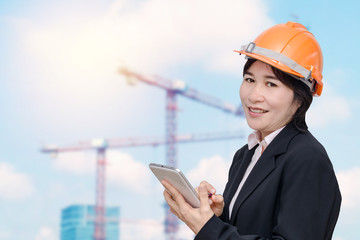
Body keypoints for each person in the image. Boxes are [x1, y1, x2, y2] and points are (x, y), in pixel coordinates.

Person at [161, 21, 341, 240]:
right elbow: (247, 231)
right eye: (249, 80)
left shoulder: (308, 160)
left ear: (300, 99)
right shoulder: (246, 155)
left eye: (271, 84)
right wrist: (217, 217)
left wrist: (209, 228)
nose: (254, 95)